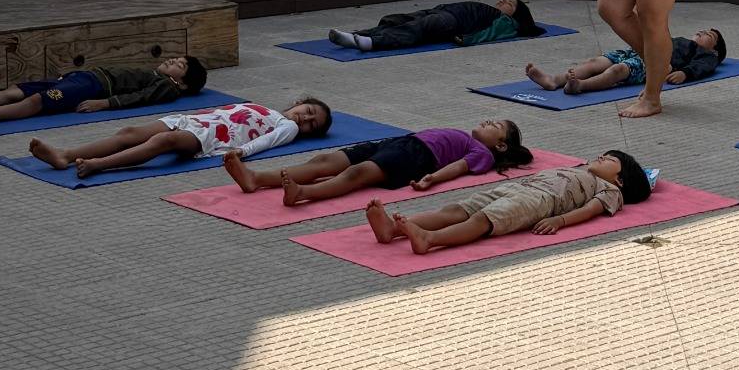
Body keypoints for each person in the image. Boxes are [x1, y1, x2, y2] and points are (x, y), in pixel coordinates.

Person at [364, 149, 652, 256]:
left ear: (620, 180)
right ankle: (392, 229)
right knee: (456, 210)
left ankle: (429, 239)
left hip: (539, 200)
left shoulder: (609, 190)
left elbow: (590, 210)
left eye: (609, 160)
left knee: (483, 220)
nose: (601, 157)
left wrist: (560, 220)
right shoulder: (581, 169)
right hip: (518, 187)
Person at [222, 118, 531, 206]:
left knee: (358, 173)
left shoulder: (483, 153)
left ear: (501, 144)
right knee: (328, 159)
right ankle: (256, 178)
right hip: (401, 143)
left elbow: (458, 167)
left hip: (417, 157)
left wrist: (432, 178)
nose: (488, 121)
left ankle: (304, 193)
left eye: (495, 126)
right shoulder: (469, 138)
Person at [29, 97, 332, 180]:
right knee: (129, 133)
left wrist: (242, 152)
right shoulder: (264, 107)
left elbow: (268, 141)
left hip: (212, 136)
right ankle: (65, 155)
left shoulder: (287, 126)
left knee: (161, 143)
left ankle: (97, 164)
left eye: (311, 125)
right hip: (196, 120)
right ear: (298, 102)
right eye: (307, 112)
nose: (304, 120)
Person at [0, 55, 208, 128]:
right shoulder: (157, 75)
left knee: (37, 100)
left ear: (183, 84)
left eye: (180, 65)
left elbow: (139, 97)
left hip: (92, 87)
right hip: (84, 78)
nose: (173, 60)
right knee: (14, 91)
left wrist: (105, 103)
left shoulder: (168, 87)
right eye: (177, 58)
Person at [526, 28, 726, 96]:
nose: (703, 32)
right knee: (595, 62)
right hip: (638, 50)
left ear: (714, 50)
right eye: (702, 30)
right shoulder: (681, 40)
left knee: (618, 70)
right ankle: (554, 80)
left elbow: (703, 67)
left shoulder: (707, 55)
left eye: (709, 35)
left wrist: (685, 73)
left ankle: (580, 85)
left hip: (655, 62)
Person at [328, 0, 544, 52]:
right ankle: (357, 36)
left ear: (516, 14)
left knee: (415, 29)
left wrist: (467, 39)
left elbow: (489, 33)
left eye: (509, 3)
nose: (503, 1)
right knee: (396, 20)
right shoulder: (491, 11)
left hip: (453, 21)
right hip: (442, 11)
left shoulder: (507, 23)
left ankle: (372, 43)